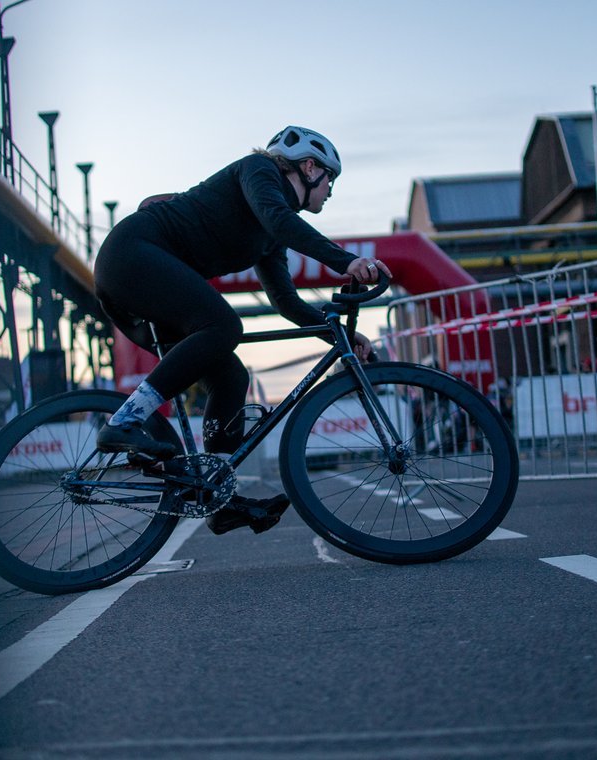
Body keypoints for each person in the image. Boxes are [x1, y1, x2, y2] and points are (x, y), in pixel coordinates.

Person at [93, 125, 392, 535]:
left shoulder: (271, 236)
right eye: (330, 182)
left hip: (146, 277)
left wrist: (336, 333)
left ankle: (219, 497)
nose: (329, 193)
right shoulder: (257, 171)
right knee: (224, 326)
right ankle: (125, 421)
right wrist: (344, 261)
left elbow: (286, 302)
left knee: (233, 374)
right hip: (131, 255)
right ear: (309, 168)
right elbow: (278, 217)